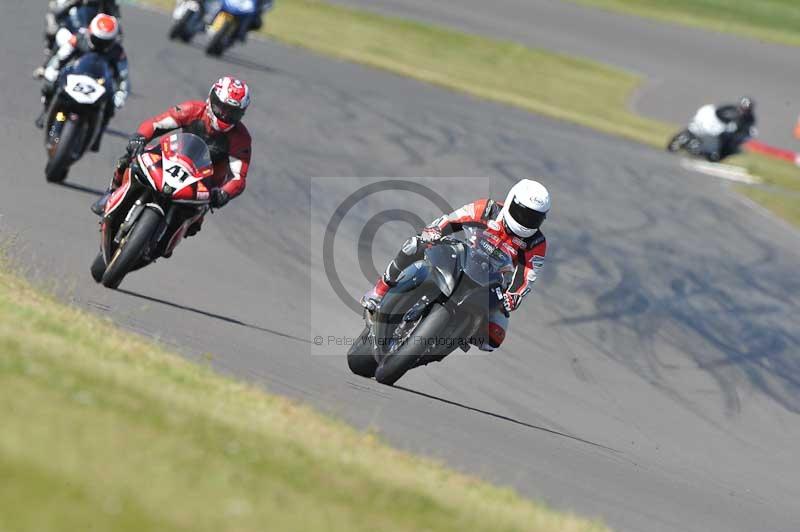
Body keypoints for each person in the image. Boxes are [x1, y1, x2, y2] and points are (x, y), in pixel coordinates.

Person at [361, 179, 550, 352]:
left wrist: (514, 295)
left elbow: (527, 276)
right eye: (522, 212)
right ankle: (379, 291)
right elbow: (453, 219)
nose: (525, 220)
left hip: (492, 281)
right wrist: (435, 231)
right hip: (463, 256)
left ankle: (456, 335)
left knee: (493, 338)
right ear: (511, 201)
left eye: (533, 218)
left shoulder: (536, 242)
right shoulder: (488, 209)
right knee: (414, 245)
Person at [91, 77, 252, 242]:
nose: (225, 115)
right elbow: (157, 124)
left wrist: (224, 193)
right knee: (130, 159)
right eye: (222, 107)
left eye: (232, 112)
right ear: (211, 99)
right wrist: (140, 138)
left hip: (206, 176)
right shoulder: (193, 109)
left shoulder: (241, 138)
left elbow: (239, 177)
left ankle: (170, 239)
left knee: (195, 222)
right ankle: (112, 191)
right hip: (175, 154)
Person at [35, 13, 129, 153]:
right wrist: (52, 71)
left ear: (113, 39)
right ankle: (46, 110)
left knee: (110, 107)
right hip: (75, 74)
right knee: (49, 86)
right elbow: (61, 56)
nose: (100, 45)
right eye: (97, 40)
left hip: (100, 83)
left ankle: (97, 136)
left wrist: (121, 93)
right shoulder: (79, 38)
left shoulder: (118, 52)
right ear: (91, 32)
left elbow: (123, 76)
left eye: (105, 42)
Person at [39, 0, 121, 73]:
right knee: (57, 33)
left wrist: (113, 26)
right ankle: (47, 64)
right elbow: (55, 13)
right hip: (70, 28)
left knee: (111, 44)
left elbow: (113, 13)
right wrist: (72, 2)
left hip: (92, 29)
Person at [688, 96, 757, 161]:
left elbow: (746, 130)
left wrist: (735, 131)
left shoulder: (749, 119)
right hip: (718, 126)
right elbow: (717, 111)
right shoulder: (731, 108)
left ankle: (717, 154)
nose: (742, 111)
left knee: (727, 143)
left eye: (745, 110)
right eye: (742, 108)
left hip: (731, 135)